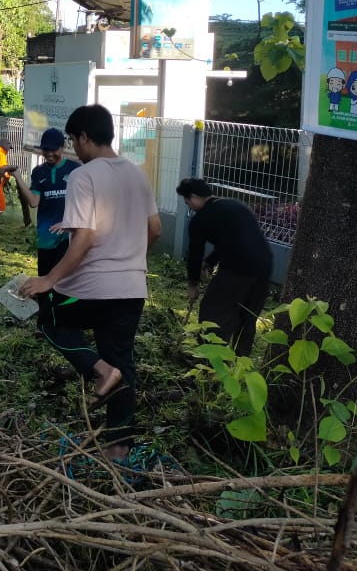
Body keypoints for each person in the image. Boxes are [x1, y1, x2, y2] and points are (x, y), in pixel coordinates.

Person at [18, 105, 161, 462]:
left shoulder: (83, 176)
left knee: (51, 321)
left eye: (72, 140)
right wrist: (129, 256)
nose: (72, 148)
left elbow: (84, 239)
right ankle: (119, 451)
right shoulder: (136, 174)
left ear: (83, 136)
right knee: (123, 363)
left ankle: (99, 370)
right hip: (132, 291)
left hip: (90, 291)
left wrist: (49, 279)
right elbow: (155, 230)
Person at [176, 177, 273, 357]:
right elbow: (233, 240)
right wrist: (210, 262)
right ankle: (240, 361)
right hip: (264, 266)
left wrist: (192, 285)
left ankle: (212, 361)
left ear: (194, 197)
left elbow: (195, 253)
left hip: (237, 269)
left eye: (187, 201)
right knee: (247, 316)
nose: (188, 205)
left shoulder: (199, 220)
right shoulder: (235, 206)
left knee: (213, 311)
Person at [11, 127, 80, 276]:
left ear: (63, 147)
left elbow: (85, 203)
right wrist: (17, 177)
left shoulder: (75, 169)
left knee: (63, 282)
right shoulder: (38, 172)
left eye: (54, 150)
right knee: (45, 279)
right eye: (46, 150)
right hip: (46, 237)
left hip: (68, 237)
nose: (49, 154)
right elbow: (34, 202)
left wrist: (70, 223)